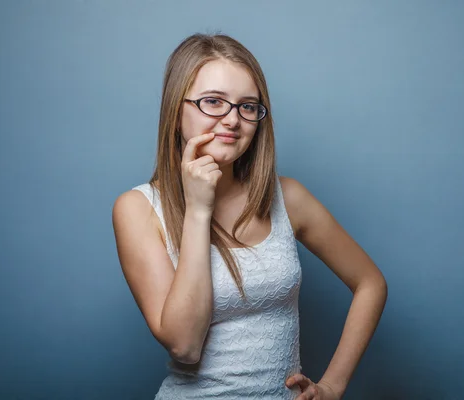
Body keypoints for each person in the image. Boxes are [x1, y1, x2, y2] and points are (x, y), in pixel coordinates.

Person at [112, 33, 388, 400]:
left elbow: (370, 283)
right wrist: (198, 209)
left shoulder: (287, 197)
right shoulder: (138, 209)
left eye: (247, 106)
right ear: (176, 110)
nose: (232, 120)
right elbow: (184, 345)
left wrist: (332, 386)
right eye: (213, 102)